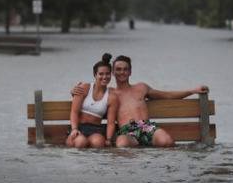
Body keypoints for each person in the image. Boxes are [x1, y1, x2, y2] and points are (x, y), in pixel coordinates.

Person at [72, 55, 209, 147]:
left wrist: (193, 90)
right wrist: (74, 92)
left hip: (146, 127)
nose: (122, 72)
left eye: (125, 69)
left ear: (130, 72)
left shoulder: (141, 88)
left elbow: (167, 95)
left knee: (167, 141)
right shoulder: (111, 93)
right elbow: (93, 96)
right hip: (126, 131)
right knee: (122, 145)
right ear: (113, 73)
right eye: (118, 69)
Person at [66, 53, 118, 149]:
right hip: (79, 127)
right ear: (95, 75)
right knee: (81, 142)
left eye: (107, 74)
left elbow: (111, 122)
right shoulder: (84, 88)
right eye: (101, 74)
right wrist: (74, 129)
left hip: (96, 129)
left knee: (98, 143)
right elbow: (74, 112)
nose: (104, 77)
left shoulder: (111, 97)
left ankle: (95, 164)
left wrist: (109, 139)